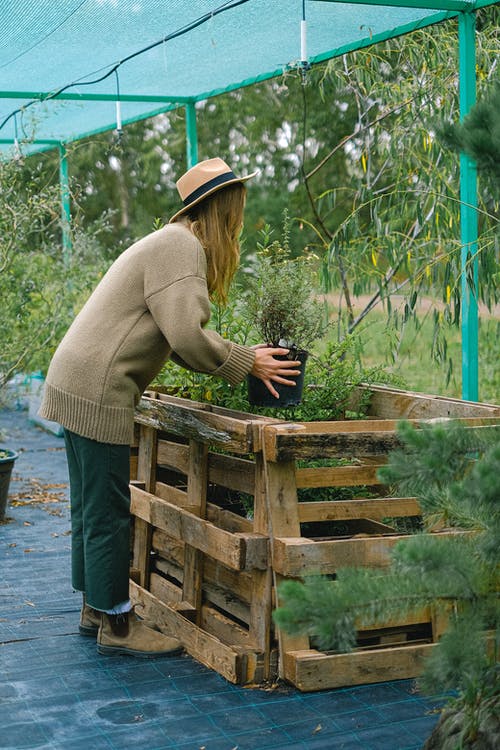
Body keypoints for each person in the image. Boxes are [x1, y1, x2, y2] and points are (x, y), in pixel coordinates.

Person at [39, 157, 301, 657]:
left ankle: (96, 607)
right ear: (221, 207)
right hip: (99, 385)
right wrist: (249, 364)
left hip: (77, 378)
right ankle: (117, 625)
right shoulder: (182, 246)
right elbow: (185, 333)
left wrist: (235, 360)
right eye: (237, 208)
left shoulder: (169, 241)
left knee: (91, 503)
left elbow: (177, 341)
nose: (239, 220)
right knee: (110, 510)